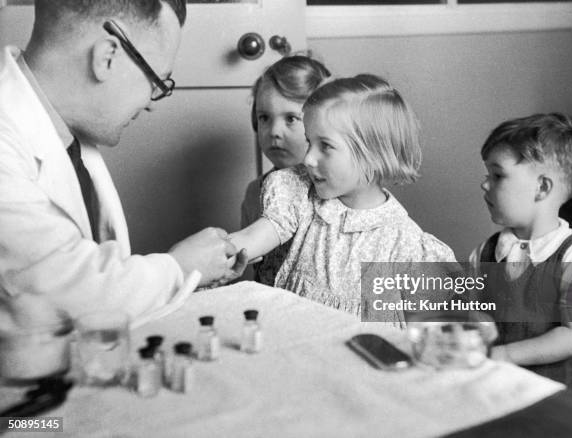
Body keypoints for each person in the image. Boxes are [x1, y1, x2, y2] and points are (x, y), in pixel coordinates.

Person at [0, 0, 247, 325]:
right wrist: (180, 268)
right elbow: (54, 290)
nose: (149, 103)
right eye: (157, 82)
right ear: (108, 56)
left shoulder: (66, 131)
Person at [231, 74, 455, 319]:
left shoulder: (406, 246)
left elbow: (444, 326)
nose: (308, 158)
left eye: (325, 146)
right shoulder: (298, 194)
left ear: (373, 155)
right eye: (309, 142)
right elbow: (252, 238)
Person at [469, 113, 572, 393]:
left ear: (542, 187)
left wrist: (505, 355)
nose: (484, 184)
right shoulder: (485, 253)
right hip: (499, 393)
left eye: (497, 175)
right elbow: (475, 312)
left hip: (557, 405)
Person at [241, 54, 331, 286]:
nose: (274, 131)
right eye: (264, 118)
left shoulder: (336, 189)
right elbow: (254, 270)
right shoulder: (256, 192)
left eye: (291, 118)